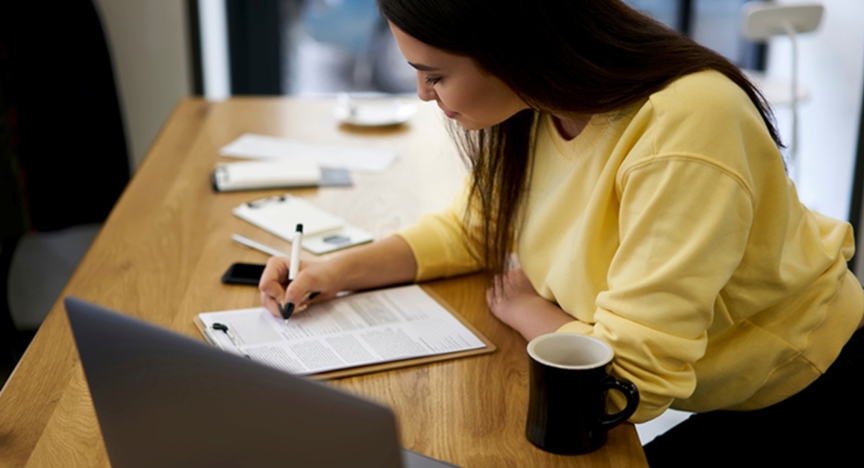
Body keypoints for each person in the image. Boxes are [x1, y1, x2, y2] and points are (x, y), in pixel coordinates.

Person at [260, 0, 864, 463]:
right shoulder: (544, 106)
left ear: (508, 46)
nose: (422, 94)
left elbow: (629, 382)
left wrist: (528, 313)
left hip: (796, 385)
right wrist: (334, 270)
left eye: (434, 74)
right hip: (721, 383)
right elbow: (473, 228)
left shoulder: (685, 126)